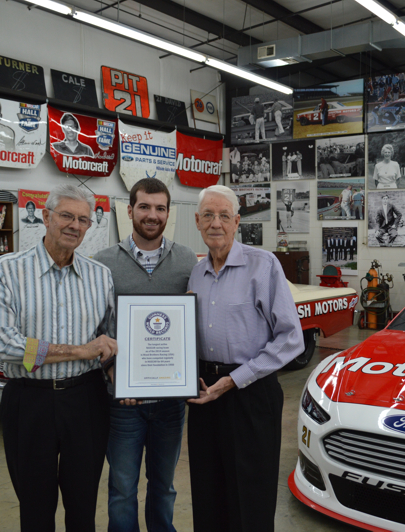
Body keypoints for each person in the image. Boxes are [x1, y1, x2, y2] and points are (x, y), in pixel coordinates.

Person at [0, 184, 116, 531]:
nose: (74, 225)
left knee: (83, 505)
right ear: (45, 217)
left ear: (90, 226)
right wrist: (78, 350)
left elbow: (110, 341)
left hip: (86, 400)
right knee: (36, 507)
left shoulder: (100, 277)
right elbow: (3, 345)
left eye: (83, 219)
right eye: (66, 216)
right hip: (30, 400)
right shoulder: (6, 270)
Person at [186, 185, 303, 532]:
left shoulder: (262, 265)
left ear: (238, 222)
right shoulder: (196, 273)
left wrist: (235, 380)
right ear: (197, 221)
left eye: (224, 215)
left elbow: (291, 338)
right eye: (208, 215)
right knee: (207, 493)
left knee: (250, 496)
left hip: (250, 393)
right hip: (206, 394)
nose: (216, 223)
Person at [93, 178, 197, 532]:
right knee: (122, 488)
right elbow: (94, 327)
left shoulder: (186, 259)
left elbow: (194, 323)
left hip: (171, 402)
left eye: (160, 208)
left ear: (169, 212)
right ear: (130, 210)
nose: (152, 215)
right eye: (144, 207)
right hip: (124, 403)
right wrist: (109, 368)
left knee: (164, 487)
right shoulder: (103, 263)